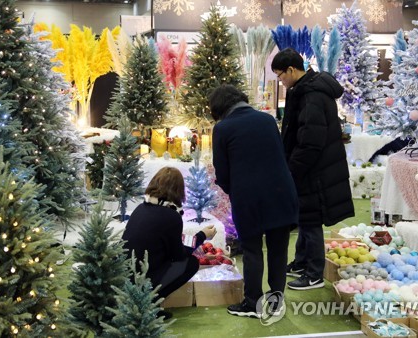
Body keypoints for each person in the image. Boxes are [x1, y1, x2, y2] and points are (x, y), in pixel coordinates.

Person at [209, 84, 299, 319]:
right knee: (279, 250)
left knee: (252, 250)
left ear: (219, 108)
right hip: (281, 191)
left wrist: (234, 189)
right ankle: (277, 302)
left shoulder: (222, 128)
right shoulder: (267, 120)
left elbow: (222, 171)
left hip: (249, 197)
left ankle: (252, 303)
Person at [271, 48, 355, 291]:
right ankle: (301, 261)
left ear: (291, 70)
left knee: (310, 220)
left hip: (314, 170)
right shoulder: (304, 90)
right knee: (304, 216)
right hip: (311, 167)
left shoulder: (312, 95)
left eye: (280, 76)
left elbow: (310, 142)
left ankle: (314, 273)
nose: (281, 81)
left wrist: (291, 171)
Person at [122, 167, 216, 319]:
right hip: (144, 278)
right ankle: (149, 303)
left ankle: (146, 301)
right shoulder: (171, 216)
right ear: (179, 190)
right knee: (191, 263)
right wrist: (202, 235)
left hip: (127, 276)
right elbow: (178, 255)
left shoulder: (141, 208)